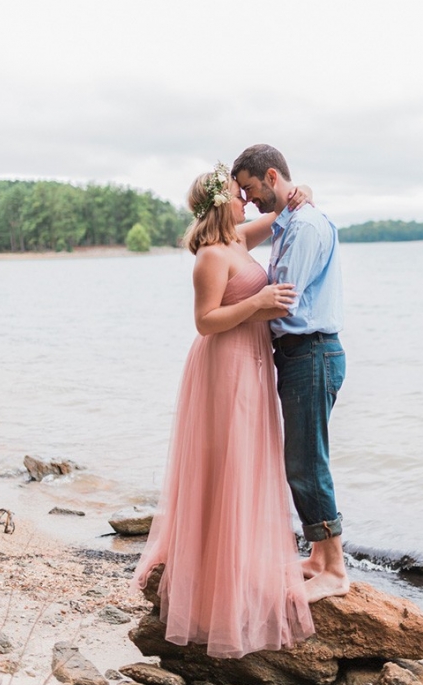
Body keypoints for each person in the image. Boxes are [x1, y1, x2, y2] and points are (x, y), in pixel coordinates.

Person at [132, 162, 314, 659]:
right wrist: (257, 302)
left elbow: (278, 218)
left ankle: (240, 563)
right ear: (221, 202)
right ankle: (215, 582)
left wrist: (300, 191)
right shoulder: (211, 256)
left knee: (250, 464)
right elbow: (206, 322)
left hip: (253, 365)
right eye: (239, 194)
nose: (247, 201)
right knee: (227, 466)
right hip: (225, 366)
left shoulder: (237, 239)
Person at [232, 144, 350, 604]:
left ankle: (336, 569)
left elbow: (284, 300)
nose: (248, 197)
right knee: (301, 458)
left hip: (311, 351)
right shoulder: (290, 221)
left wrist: (230, 323)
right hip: (302, 354)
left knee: (307, 460)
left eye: (251, 187)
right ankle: (319, 558)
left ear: (272, 175)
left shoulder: (303, 226)